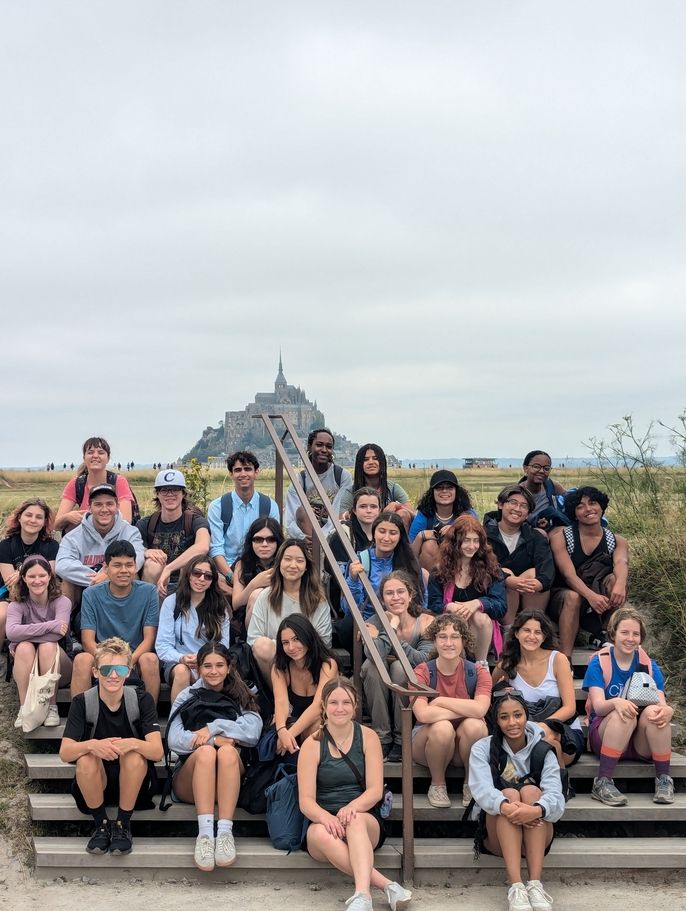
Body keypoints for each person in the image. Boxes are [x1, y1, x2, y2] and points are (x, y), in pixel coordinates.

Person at [298, 676, 412, 911]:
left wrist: (352, 807)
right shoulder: (311, 744)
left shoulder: (368, 737)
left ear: (355, 706)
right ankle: (388, 886)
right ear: (324, 707)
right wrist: (326, 817)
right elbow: (306, 801)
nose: (340, 708)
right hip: (324, 819)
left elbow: (374, 790)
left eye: (346, 703)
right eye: (333, 703)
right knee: (321, 833)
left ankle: (362, 895)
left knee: (355, 820)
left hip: (363, 816)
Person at [59, 636, 163, 856]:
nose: (113, 676)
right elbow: (65, 752)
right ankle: (101, 825)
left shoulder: (141, 700)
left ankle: (122, 825)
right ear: (95, 673)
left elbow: (157, 751)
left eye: (120, 670)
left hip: (134, 782)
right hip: (97, 782)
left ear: (129, 671)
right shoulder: (82, 702)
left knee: (134, 756)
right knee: (85, 758)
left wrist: (132, 743)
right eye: (106, 670)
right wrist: (92, 745)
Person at [166, 641, 263, 872]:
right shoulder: (186, 695)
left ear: (229, 667)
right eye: (207, 666)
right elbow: (173, 738)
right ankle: (206, 835)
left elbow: (253, 732)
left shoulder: (241, 694)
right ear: (198, 668)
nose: (213, 671)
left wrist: (214, 727)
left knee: (228, 752)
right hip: (191, 778)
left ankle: (226, 832)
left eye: (219, 665)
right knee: (208, 752)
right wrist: (214, 740)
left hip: (229, 777)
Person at [468, 687, 565, 911]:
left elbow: (556, 798)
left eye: (518, 715)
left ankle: (534, 884)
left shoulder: (544, 750)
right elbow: (481, 789)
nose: (512, 722)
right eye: (504, 717)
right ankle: (516, 887)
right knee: (509, 795)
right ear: (496, 720)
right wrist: (508, 807)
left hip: (538, 836)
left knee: (532, 793)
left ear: (526, 716)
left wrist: (535, 810)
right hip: (498, 837)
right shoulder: (482, 749)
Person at [583, 606, 674, 806]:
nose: (630, 638)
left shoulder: (648, 664)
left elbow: (662, 703)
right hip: (607, 734)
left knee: (655, 711)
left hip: (640, 741)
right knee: (623, 713)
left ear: (641, 638)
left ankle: (664, 779)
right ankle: (603, 781)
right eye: (624, 632)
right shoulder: (600, 662)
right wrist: (616, 702)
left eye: (635, 634)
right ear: (614, 633)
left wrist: (667, 711)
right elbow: (598, 707)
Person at [411, 614, 491, 808]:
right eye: (442, 636)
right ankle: (437, 784)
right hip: (428, 744)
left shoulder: (478, 672)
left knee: (475, 725)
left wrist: (439, 701)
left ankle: (470, 783)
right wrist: (467, 708)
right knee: (443, 727)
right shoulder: (422, 671)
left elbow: (481, 708)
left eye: (455, 637)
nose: (448, 643)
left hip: (465, 746)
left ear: (464, 640)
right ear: (434, 641)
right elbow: (422, 714)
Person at [492, 611, 585, 767]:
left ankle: (559, 787)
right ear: (516, 633)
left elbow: (570, 707)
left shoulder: (558, 659)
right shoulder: (507, 664)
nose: (532, 636)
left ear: (544, 637)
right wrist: (502, 694)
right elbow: (490, 692)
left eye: (538, 632)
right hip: (523, 731)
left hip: (563, 731)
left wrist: (542, 725)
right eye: (527, 630)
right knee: (533, 742)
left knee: (546, 741)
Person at [71, 541, 160, 701]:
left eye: (129, 565)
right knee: (82, 659)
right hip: (102, 656)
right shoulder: (91, 594)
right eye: (117, 565)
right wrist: (109, 662)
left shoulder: (148, 592)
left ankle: (149, 718)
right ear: (106, 567)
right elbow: (87, 641)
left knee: (150, 659)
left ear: (135, 566)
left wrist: (125, 663)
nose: (124, 570)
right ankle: (80, 719)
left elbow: (149, 639)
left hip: (135, 657)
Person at [549, 486, 629, 661]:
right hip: (563, 598)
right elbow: (568, 574)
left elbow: (621, 563)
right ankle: (565, 659)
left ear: (601, 507)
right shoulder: (562, 537)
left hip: (597, 595)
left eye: (593, 503)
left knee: (616, 581)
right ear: (574, 513)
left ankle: (604, 634)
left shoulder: (616, 540)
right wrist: (590, 596)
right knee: (572, 597)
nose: (588, 509)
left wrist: (621, 584)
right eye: (580, 506)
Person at [361, 571, 433, 762]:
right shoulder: (371, 623)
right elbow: (372, 655)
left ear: (411, 595)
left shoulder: (425, 622)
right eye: (389, 593)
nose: (395, 597)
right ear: (382, 600)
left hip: (414, 683)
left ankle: (402, 739)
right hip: (380, 688)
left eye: (400, 592)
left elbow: (423, 659)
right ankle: (382, 738)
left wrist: (389, 639)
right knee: (371, 667)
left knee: (400, 668)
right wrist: (391, 626)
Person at [247, 540, 332, 680]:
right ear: (279, 563)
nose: (293, 565)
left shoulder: (317, 600)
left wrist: (297, 648)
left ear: (306, 567)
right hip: (274, 665)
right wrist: (284, 648)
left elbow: (324, 641)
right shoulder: (266, 596)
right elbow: (253, 639)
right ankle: (278, 696)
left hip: (306, 662)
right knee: (262, 646)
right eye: (287, 559)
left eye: (299, 560)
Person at [427, 516, 506, 662]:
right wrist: (448, 606)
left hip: (480, 635)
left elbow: (501, 606)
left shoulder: (492, 569)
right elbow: (433, 603)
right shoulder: (439, 571)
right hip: (450, 627)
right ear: (455, 542)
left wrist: (477, 603)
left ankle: (481, 665)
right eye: (466, 540)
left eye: (476, 541)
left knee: (479, 616)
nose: (471, 546)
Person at [7, 556, 73, 729]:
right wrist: (51, 625)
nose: (37, 581)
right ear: (23, 578)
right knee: (24, 648)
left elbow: (57, 636)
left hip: (60, 666)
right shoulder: (17, 605)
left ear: (50, 576)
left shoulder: (62, 602)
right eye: (31, 576)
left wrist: (22, 635)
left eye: (42, 575)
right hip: (27, 667)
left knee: (47, 646)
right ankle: (24, 707)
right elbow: (11, 632)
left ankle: (52, 706)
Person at [55, 483, 144, 610]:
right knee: (67, 581)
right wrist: (97, 578)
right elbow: (62, 564)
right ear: (89, 508)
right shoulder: (73, 536)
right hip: (86, 590)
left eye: (109, 504)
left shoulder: (130, 531)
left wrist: (109, 575)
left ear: (117, 506)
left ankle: (135, 620)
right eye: (98, 504)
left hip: (119, 586)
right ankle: (65, 626)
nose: (104, 509)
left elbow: (138, 558)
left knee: (133, 574)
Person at [155, 554, 231, 701]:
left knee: (213, 671)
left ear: (212, 581)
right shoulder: (172, 602)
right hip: (177, 662)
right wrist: (181, 658)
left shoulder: (220, 608)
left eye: (208, 576)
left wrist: (203, 660)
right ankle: (177, 720)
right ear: (188, 575)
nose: (201, 579)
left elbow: (223, 646)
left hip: (209, 661)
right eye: (197, 573)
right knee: (182, 671)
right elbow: (163, 645)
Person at [207, 451, 280, 595]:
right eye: (238, 470)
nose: (243, 474)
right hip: (227, 570)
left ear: (256, 472)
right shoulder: (218, 507)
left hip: (259, 567)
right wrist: (232, 577)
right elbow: (216, 549)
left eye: (248, 469)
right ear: (231, 474)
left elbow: (274, 543)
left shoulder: (269, 506)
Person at [483, 485, 554, 626]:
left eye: (523, 506)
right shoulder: (483, 534)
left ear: (528, 513)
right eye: (513, 503)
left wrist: (539, 583)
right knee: (505, 573)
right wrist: (507, 579)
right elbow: (479, 565)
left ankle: (530, 626)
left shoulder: (535, 537)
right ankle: (507, 631)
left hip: (527, 594)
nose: (517, 509)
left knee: (535, 574)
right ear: (501, 505)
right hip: (491, 592)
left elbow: (547, 567)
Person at [271, 614, 338, 759]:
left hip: (323, 720)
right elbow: (281, 702)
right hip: (294, 723)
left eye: (296, 639)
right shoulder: (280, 668)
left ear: (307, 637)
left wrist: (289, 734)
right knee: (278, 721)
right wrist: (282, 730)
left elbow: (318, 706)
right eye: (285, 642)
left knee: (315, 728)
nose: (291, 647)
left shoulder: (327, 664)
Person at [137, 470, 210, 597]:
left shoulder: (195, 521)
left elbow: (203, 546)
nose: (170, 494)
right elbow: (130, 546)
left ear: (183, 493)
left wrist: (169, 569)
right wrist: (145, 551)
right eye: (165, 490)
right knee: (153, 564)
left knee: (190, 564)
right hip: (155, 584)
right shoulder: (146, 524)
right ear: (157, 494)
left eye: (175, 490)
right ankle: (151, 611)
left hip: (187, 581)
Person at [0, 498, 58, 654]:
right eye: (28, 515)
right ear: (19, 517)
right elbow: (10, 583)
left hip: (41, 595)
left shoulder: (51, 546)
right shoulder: (5, 546)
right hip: (11, 595)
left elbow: (49, 575)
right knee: (2, 615)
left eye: (39, 517)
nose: (33, 520)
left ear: (45, 521)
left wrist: (21, 573)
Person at [54, 437, 136, 534]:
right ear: (84, 458)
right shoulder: (76, 484)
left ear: (108, 458)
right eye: (90, 452)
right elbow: (57, 525)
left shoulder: (119, 482)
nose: (95, 456)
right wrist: (68, 517)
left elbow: (126, 521)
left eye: (101, 452)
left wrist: (88, 519)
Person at [285, 428, 353, 544]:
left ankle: (320, 552)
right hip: (307, 534)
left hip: (333, 533)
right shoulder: (300, 480)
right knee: (303, 511)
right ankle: (314, 553)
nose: (324, 450)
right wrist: (302, 537)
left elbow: (337, 513)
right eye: (319, 445)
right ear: (309, 448)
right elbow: (290, 520)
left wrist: (322, 538)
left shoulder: (342, 476)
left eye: (329, 446)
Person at [326, 487, 381, 623]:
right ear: (354, 510)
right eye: (363, 506)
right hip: (345, 604)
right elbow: (339, 577)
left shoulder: (382, 535)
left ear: (380, 510)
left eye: (373, 506)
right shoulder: (342, 536)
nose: (368, 510)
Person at [409, 470, 476, 572]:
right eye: (439, 488)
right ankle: (431, 586)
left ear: (456, 492)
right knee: (429, 545)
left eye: (449, 487)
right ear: (432, 492)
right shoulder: (424, 515)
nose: (444, 491)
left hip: (460, 561)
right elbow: (410, 554)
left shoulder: (467, 513)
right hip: (430, 567)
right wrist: (421, 536)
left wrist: (456, 529)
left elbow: (477, 541)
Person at [340, 444, 413, 529]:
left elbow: (412, 514)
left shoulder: (393, 488)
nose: (371, 462)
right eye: (366, 460)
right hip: (361, 534)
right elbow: (341, 519)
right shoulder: (351, 491)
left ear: (382, 462)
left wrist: (397, 506)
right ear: (360, 464)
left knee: (403, 513)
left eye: (375, 458)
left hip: (387, 535)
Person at [231, 517, 284, 629]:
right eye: (258, 539)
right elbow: (236, 604)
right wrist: (255, 583)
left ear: (278, 541)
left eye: (271, 539)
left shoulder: (285, 563)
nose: (264, 544)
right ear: (251, 542)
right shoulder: (242, 564)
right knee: (257, 594)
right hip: (251, 622)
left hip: (281, 618)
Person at [519, 450, 567, 532]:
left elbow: (571, 501)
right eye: (536, 467)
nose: (541, 471)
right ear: (525, 468)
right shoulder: (516, 491)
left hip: (548, 532)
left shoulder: (552, 486)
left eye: (546, 468)